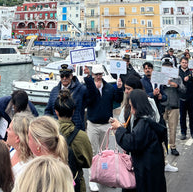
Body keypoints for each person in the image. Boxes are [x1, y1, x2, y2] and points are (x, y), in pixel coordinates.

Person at [110, 89, 167, 192]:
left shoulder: (143, 124)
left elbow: (131, 143)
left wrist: (119, 129)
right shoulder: (150, 120)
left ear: (137, 106)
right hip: (152, 168)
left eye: (132, 106)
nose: (131, 110)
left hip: (146, 170)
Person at [83, 63, 124, 192]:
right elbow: (88, 100)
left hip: (106, 124)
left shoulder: (109, 88)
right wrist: (90, 83)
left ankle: (103, 177)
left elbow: (117, 99)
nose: (98, 77)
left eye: (100, 74)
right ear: (93, 75)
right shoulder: (89, 88)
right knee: (93, 153)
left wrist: (119, 88)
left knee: (105, 154)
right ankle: (92, 178)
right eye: (96, 75)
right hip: (93, 125)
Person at [54, 89, 93, 192]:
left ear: (56, 111)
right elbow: (88, 162)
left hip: (53, 182)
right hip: (75, 183)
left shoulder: (49, 134)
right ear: (73, 111)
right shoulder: (81, 136)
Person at [45, 63, 87, 130]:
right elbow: (48, 110)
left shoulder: (81, 89)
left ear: (71, 76)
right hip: (58, 129)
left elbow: (93, 96)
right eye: (62, 76)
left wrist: (88, 77)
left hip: (76, 129)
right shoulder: (54, 91)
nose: (64, 78)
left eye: (67, 76)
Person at [160, 57, 185, 157]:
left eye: (169, 66)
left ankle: (173, 146)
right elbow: (154, 88)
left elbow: (183, 90)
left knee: (173, 128)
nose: (167, 68)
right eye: (165, 66)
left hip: (174, 106)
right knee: (161, 128)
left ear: (172, 66)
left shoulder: (177, 77)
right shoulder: (160, 77)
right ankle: (162, 146)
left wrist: (177, 86)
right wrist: (162, 85)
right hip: (162, 106)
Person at [6, 111, 34, 179]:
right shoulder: (13, 151)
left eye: (9, 129)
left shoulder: (27, 169)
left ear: (17, 138)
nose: (6, 130)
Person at [179, 56, 193, 140]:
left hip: (191, 96)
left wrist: (192, 77)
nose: (184, 64)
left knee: (192, 116)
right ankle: (183, 132)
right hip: (181, 97)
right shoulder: (177, 72)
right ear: (180, 63)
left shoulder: (191, 71)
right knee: (182, 116)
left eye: (186, 63)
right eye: (183, 62)